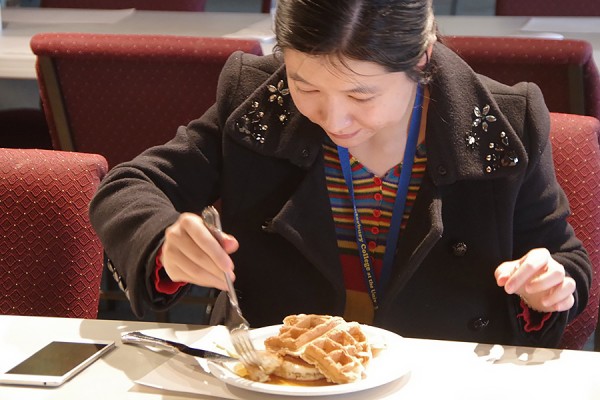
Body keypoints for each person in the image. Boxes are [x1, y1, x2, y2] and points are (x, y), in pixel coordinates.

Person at [89, 0, 592, 348]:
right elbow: (129, 186)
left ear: (421, 58)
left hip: (441, 376)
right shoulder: (260, 100)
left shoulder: (504, 122)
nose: (333, 120)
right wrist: (163, 241)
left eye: (360, 95)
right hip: (280, 374)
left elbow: (565, 259)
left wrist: (548, 286)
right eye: (306, 85)